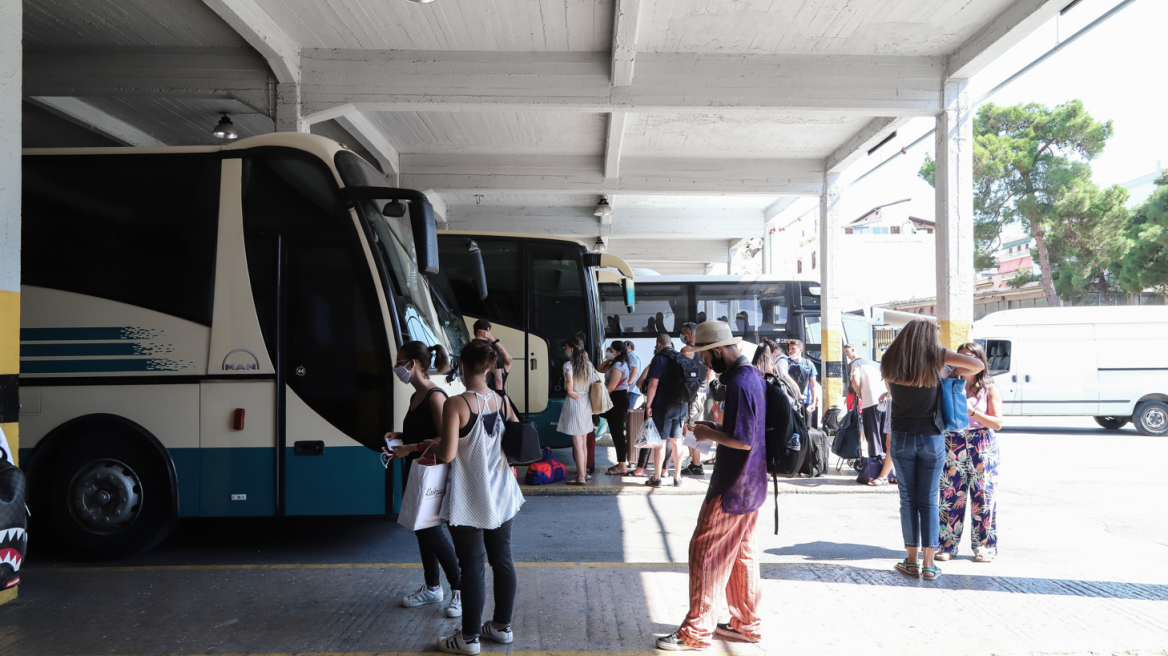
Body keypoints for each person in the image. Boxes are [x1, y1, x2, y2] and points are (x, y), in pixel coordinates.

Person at [656, 320, 766, 651]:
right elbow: (745, 430)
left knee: (705, 552)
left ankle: (696, 630)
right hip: (751, 484)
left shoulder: (740, 384)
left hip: (733, 486)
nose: (705, 363)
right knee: (741, 553)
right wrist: (713, 427)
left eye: (705, 357)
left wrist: (706, 434)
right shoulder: (752, 376)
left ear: (718, 351)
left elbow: (743, 441)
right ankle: (746, 624)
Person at [435, 340, 524, 655]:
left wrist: (429, 445)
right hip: (502, 494)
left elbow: (447, 454)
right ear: (489, 367)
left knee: (472, 566)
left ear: (461, 365)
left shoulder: (456, 404)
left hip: (470, 497)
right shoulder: (501, 400)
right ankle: (502, 627)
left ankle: (469, 638)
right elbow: (513, 439)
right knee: (502, 560)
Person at [881, 319, 984, 582]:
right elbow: (978, 365)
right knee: (928, 499)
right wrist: (948, 364)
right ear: (930, 338)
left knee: (907, 500)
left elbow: (891, 391)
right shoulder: (936, 357)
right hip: (932, 437)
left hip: (901, 436)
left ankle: (911, 561)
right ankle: (929, 564)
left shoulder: (890, 359)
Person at [383, 341, 462, 618]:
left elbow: (446, 439)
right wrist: (400, 438)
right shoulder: (416, 396)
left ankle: (460, 589)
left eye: (399, 361)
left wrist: (411, 448)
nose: (396, 368)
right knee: (421, 529)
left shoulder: (435, 396)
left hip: (431, 471)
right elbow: (421, 431)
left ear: (413, 364)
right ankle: (432, 587)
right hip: (416, 470)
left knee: (432, 531)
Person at [937, 341, 1003, 562]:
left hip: (981, 444)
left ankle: (983, 547)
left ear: (979, 362)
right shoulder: (948, 384)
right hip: (953, 442)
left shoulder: (989, 388)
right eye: (960, 357)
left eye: (968, 357)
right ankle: (947, 546)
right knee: (950, 496)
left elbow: (997, 423)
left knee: (982, 498)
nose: (963, 361)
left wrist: (972, 411)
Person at [644, 332, 688, 487]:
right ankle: (677, 477)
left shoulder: (658, 359)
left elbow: (652, 384)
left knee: (660, 442)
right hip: (681, 405)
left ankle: (656, 478)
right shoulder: (681, 357)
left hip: (663, 406)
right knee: (677, 441)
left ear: (658, 344)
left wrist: (648, 404)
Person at [557, 335, 595, 486]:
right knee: (583, 442)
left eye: (565, 347)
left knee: (577, 443)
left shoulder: (568, 365)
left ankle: (580, 478)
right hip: (586, 404)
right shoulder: (589, 365)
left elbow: (569, 385)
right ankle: (584, 473)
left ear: (571, 349)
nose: (565, 350)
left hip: (575, 403)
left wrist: (571, 392)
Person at [845, 344, 888, 461]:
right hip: (884, 399)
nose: (846, 354)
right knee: (884, 430)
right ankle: (885, 458)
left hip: (871, 400)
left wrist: (859, 393)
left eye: (847, 352)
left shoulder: (856, 363)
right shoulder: (874, 363)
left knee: (872, 430)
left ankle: (875, 459)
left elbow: (854, 381)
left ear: (854, 350)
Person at [596, 341, 633, 475]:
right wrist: (609, 359)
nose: (608, 351)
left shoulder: (619, 365)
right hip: (617, 400)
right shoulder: (616, 363)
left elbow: (611, 387)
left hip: (618, 400)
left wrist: (597, 396)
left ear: (618, 352)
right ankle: (621, 463)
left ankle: (622, 465)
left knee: (617, 434)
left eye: (610, 350)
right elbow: (599, 369)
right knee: (616, 433)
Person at [679, 322, 711, 476]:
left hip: (691, 395)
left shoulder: (687, 351)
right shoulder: (705, 351)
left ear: (690, 335)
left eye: (683, 333)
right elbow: (709, 373)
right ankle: (694, 461)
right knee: (694, 427)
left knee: (691, 428)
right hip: (702, 393)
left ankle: (696, 464)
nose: (682, 336)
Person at [473, 319, 512, 394]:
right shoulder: (494, 349)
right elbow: (509, 360)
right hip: (493, 397)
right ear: (488, 330)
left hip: (474, 396)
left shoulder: (468, 347)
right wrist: (493, 339)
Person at [786, 340, 819, 428]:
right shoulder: (786, 363)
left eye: (793, 349)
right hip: (790, 401)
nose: (790, 351)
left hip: (806, 401)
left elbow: (813, 385)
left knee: (806, 428)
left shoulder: (809, 364)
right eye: (789, 349)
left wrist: (813, 402)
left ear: (800, 350)